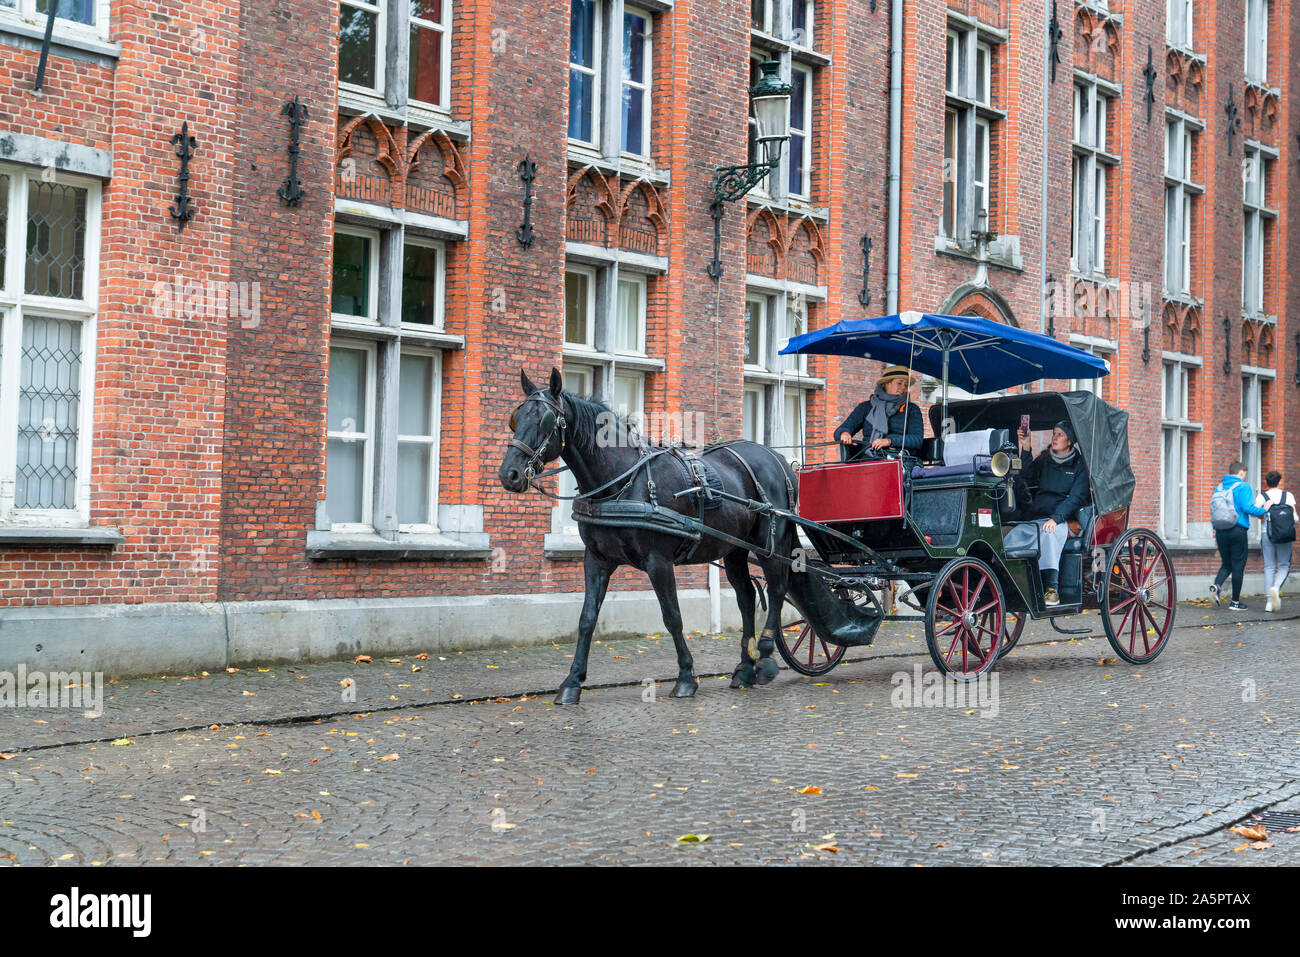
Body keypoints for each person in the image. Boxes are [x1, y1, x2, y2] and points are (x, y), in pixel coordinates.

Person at [1002, 420, 1090, 607]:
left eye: (1060, 434)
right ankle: (1012, 582)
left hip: (1065, 519)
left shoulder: (1080, 464)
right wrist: (1026, 448)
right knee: (1013, 536)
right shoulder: (1046, 459)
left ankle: (1052, 589)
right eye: (1054, 433)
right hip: (1038, 517)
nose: (1055, 438)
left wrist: (1056, 519)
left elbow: (1077, 497)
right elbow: (1026, 476)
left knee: (1048, 534)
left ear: (1069, 441)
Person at [1209, 460, 1268, 610]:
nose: (1244, 477)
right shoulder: (1243, 486)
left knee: (1226, 564)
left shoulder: (1220, 487)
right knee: (1238, 566)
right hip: (1237, 530)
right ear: (1241, 473)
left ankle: (1216, 585)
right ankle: (1235, 602)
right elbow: (1248, 508)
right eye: (1244, 475)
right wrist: (1264, 510)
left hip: (1220, 531)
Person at [833, 365, 923, 458]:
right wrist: (844, 433)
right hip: (869, 458)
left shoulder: (912, 409)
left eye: (906, 385)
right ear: (886, 383)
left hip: (898, 459)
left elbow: (917, 440)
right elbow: (840, 430)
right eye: (899, 383)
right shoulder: (866, 407)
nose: (903, 387)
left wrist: (889, 441)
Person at [1254, 470, 1295, 612]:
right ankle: (1276, 588)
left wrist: (1266, 511)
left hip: (1267, 534)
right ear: (1279, 481)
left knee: (1269, 567)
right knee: (1284, 565)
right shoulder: (1288, 496)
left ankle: (1269, 603)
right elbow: (1294, 517)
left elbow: (1257, 515)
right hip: (1285, 535)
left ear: (1266, 482)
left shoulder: (1262, 496)